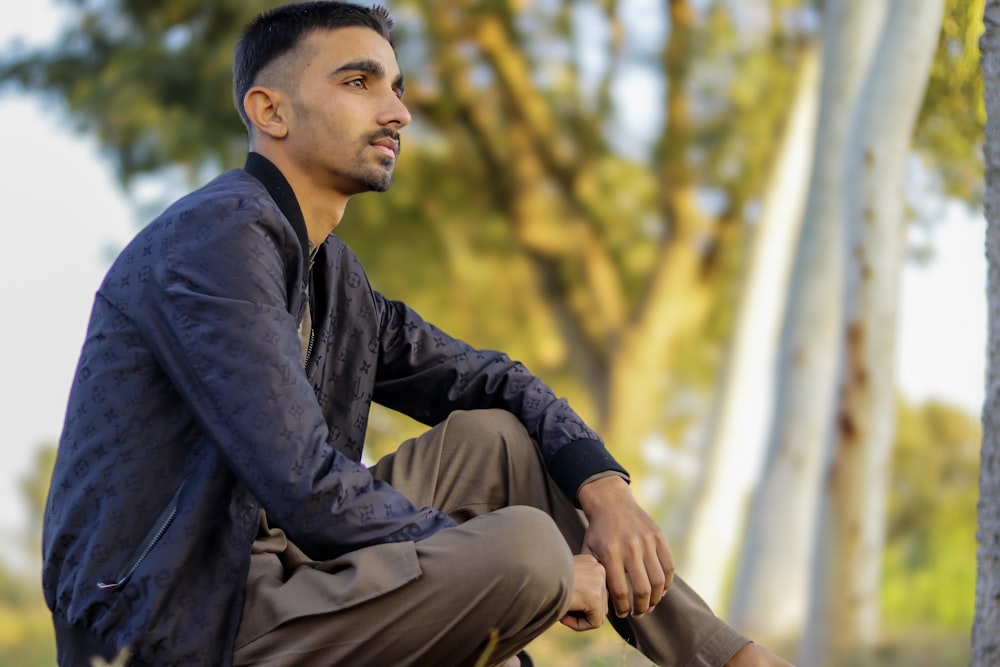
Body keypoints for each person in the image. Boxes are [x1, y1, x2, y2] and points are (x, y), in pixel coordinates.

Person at [41, 3, 793, 666]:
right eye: (359, 82)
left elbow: (491, 378)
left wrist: (604, 487)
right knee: (529, 547)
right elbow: (305, 488)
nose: (397, 111)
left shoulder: (331, 274)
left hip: (287, 577)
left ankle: (728, 660)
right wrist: (543, 566)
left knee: (498, 439)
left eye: (396, 87)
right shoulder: (216, 241)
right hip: (180, 620)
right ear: (270, 111)